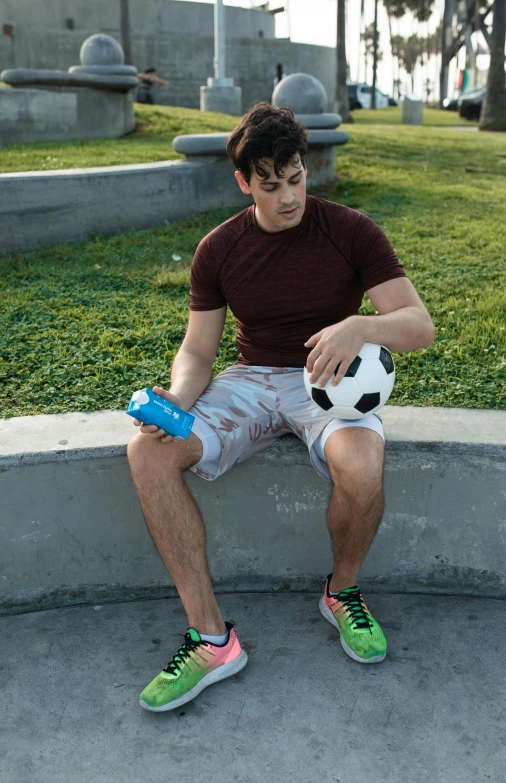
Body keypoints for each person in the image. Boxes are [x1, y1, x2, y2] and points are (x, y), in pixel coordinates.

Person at [127, 102, 435, 713]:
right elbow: (197, 349)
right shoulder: (218, 249)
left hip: (330, 382)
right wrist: (177, 399)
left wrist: (359, 327)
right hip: (249, 380)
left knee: (362, 464)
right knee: (147, 452)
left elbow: (418, 325)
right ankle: (212, 639)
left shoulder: (350, 230)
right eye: (271, 186)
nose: (289, 196)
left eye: (296, 178)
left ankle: (342, 593)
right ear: (245, 183)